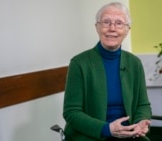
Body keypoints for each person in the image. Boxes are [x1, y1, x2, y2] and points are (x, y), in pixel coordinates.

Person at [63, 2, 152, 141]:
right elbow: (71, 112)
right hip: (90, 134)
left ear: (127, 30)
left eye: (119, 23)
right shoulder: (79, 63)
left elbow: (143, 105)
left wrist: (140, 122)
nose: (112, 28)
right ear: (97, 27)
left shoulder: (135, 63)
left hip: (128, 133)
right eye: (106, 22)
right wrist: (107, 129)